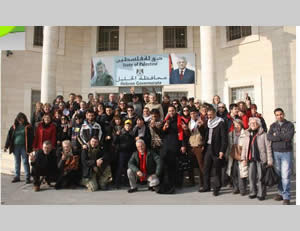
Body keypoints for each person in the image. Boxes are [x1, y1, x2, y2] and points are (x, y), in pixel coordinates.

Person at [241, 117, 273, 201]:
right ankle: (253, 192)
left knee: (261, 177)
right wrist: (243, 159)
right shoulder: (247, 134)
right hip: (251, 159)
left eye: (254, 123)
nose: (252, 124)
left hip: (261, 159)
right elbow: (244, 148)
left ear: (258, 124)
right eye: (251, 123)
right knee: (251, 177)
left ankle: (261, 193)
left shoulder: (264, 134)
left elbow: (268, 148)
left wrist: (269, 160)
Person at [267, 108, 295, 205]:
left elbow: (288, 137)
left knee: (285, 175)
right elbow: (269, 137)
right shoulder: (273, 125)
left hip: (286, 152)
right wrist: (280, 137)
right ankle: (280, 193)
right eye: (277, 115)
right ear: (275, 116)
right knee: (278, 174)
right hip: (276, 152)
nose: (279, 116)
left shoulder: (290, 125)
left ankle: (286, 197)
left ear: (284, 114)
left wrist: (276, 136)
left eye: (281, 114)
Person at [199, 108, 228, 196]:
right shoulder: (208, 122)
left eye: (211, 114)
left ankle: (216, 188)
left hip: (217, 149)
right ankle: (206, 186)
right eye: (208, 115)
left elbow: (224, 138)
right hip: (208, 147)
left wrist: (222, 150)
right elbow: (205, 135)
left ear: (215, 114)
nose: (209, 116)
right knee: (206, 168)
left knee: (216, 169)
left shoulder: (220, 123)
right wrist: (200, 127)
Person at [160, 105, 187, 194]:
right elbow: (162, 134)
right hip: (166, 145)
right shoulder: (166, 120)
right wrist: (165, 128)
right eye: (169, 111)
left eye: (172, 110)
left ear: (175, 111)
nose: (171, 112)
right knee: (165, 165)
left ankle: (175, 184)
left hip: (176, 144)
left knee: (174, 166)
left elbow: (182, 134)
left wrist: (183, 145)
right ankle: (166, 184)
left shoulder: (180, 120)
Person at [4, 112, 34, 183]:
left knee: (25, 161)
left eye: (22, 119)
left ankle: (27, 177)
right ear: (17, 119)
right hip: (15, 147)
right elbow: (9, 137)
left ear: (24, 119)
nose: (20, 120)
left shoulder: (28, 126)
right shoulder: (14, 127)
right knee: (17, 162)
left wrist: (32, 147)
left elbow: (31, 137)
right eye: (19, 119)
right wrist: (6, 146)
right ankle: (17, 176)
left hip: (24, 146)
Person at [226, 119, 248, 195]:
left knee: (242, 173)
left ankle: (242, 189)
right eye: (235, 125)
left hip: (242, 155)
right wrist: (227, 154)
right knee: (233, 172)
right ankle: (236, 188)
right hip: (233, 155)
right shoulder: (231, 134)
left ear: (241, 125)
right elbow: (228, 146)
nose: (236, 127)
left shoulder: (246, 134)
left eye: (238, 125)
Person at [113, 119, 136, 188]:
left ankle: (127, 182)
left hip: (130, 153)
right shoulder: (120, 133)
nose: (128, 127)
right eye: (126, 125)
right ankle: (117, 183)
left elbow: (133, 144)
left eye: (129, 126)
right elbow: (114, 142)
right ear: (124, 126)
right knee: (120, 167)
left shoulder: (132, 134)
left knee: (128, 167)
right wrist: (116, 135)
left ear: (131, 126)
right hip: (122, 152)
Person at [187, 109, 206, 188]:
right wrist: (185, 129)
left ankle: (203, 183)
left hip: (199, 144)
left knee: (201, 165)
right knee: (190, 164)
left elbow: (204, 134)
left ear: (197, 114)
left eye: (194, 113)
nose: (192, 115)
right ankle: (192, 182)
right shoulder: (189, 122)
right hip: (191, 145)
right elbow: (188, 134)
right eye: (191, 113)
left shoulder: (201, 121)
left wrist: (200, 126)